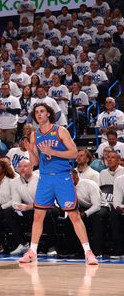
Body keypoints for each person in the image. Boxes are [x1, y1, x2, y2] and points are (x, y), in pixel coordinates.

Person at [19, 104, 98, 265]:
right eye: (36, 112)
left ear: (48, 114)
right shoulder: (34, 135)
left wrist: (53, 152)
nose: (39, 114)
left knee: (74, 215)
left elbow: (74, 153)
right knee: (38, 215)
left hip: (63, 177)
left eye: (42, 111)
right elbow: (34, 162)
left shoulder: (60, 130)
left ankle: (88, 251)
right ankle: (32, 251)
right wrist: (30, 150)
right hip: (45, 178)